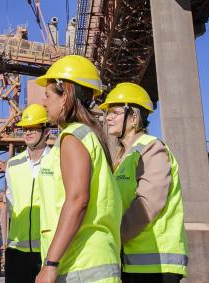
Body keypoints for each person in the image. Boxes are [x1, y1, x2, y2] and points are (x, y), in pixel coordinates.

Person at [33, 55, 122, 283]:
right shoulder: (90, 136)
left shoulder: (73, 137)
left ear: (66, 95)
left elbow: (77, 199)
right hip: (90, 262)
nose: (44, 103)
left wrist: (50, 263)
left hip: (80, 265)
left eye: (48, 95)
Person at [100, 82, 188, 283]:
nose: (108, 117)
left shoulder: (151, 149)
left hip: (155, 263)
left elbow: (148, 204)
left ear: (134, 117)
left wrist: (112, 237)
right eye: (108, 113)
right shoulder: (124, 156)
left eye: (115, 112)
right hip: (132, 260)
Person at [3, 104, 51, 283]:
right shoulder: (13, 164)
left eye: (34, 128)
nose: (28, 132)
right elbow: (9, 204)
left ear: (46, 131)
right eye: (25, 128)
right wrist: (6, 241)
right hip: (16, 249)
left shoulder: (57, 161)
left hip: (47, 249)